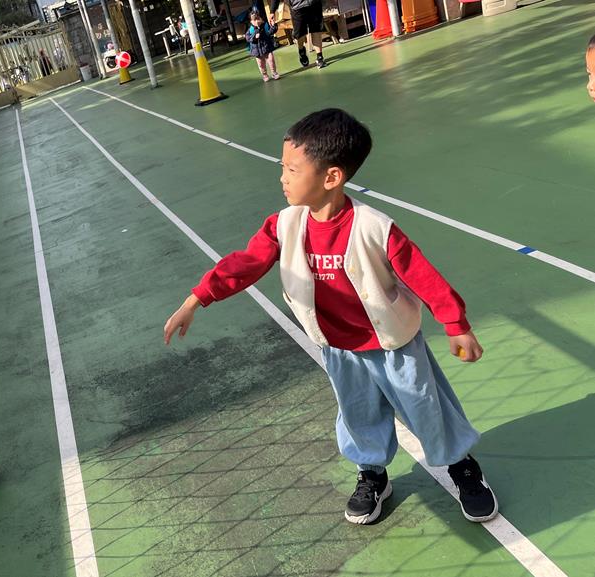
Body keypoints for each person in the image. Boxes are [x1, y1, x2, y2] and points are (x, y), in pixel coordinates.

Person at [163, 109, 499, 526]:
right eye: (282, 167)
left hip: (392, 344)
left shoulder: (375, 228)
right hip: (338, 348)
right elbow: (245, 263)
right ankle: (373, 475)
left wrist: (456, 324)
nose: (282, 178)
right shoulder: (284, 225)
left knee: (426, 407)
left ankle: (461, 466)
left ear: (331, 177)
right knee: (358, 415)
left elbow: (422, 275)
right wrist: (197, 297)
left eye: (292, 169)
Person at [268, 0, 327, 68]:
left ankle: (320, 58)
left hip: (314, 4)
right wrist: (272, 11)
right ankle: (301, 50)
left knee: (316, 30)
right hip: (297, 7)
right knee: (300, 34)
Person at [246, 10, 280, 82]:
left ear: (261, 19)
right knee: (261, 64)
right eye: (254, 20)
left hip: (266, 47)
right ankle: (265, 75)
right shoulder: (251, 29)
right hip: (257, 50)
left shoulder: (265, 26)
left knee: (271, 60)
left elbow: (270, 32)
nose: (257, 21)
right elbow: (248, 38)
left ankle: (274, 72)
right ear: (251, 22)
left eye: (258, 19)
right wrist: (254, 37)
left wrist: (274, 26)